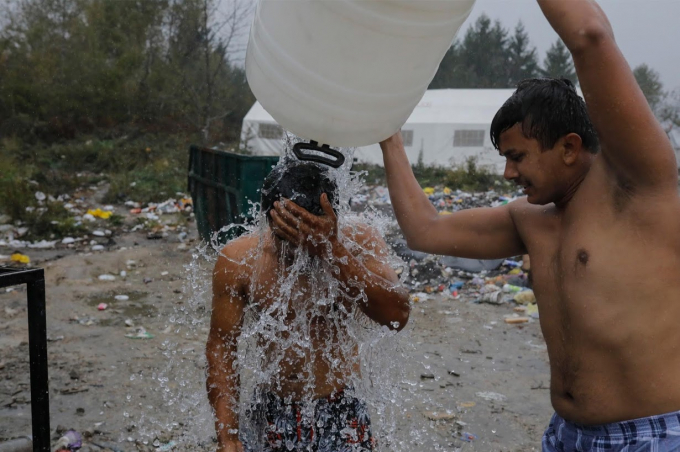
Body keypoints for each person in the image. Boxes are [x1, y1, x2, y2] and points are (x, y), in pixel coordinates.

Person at [380, 0, 680, 450]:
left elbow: (590, 35)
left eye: (517, 157)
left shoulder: (638, 189)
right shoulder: (530, 221)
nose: (507, 175)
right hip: (565, 434)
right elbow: (426, 230)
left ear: (569, 147)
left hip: (648, 435)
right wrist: (388, 134)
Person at [206, 161, 410, 452]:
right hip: (271, 406)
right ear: (267, 221)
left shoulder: (359, 243)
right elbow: (221, 347)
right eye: (284, 237)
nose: (297, 249)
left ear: (332, 219)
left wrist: (331, 249)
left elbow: (397, 316)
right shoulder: (240, 259)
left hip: (340, 407)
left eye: (308, 237)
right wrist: (228, 435)